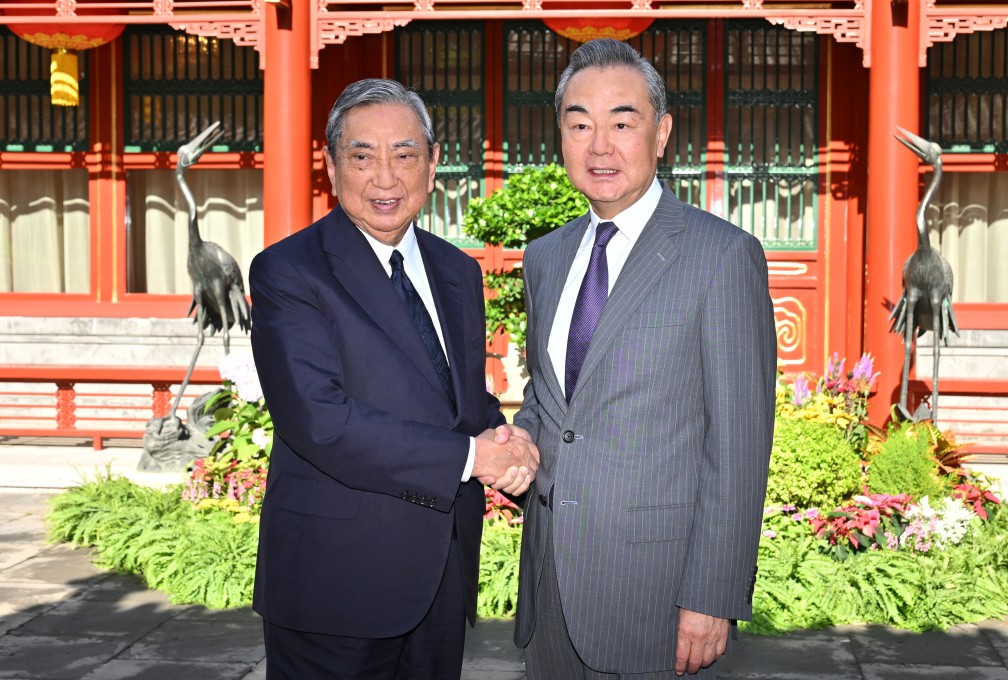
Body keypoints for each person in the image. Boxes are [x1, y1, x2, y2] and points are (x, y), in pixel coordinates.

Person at [248, 78, 539, 680]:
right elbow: (319, 419)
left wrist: (510, 444)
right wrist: (472, 457)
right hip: (334, 586)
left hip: (439, 579)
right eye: (362, 156)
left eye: (405, 154)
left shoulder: (455, 270)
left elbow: (459, 397)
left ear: (432, 165)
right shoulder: (289, 271)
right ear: (330, 165)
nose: (386, 177)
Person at [512, 39, 777, 679]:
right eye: (579, 125)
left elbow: (739, 442)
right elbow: (551, 400)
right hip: (551, 589)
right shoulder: (545, 257)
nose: (599, 145)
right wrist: (515, 442)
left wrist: (712, 597)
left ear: (660, 133)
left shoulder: (719, 256)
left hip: (654, 597)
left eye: (622, 123)